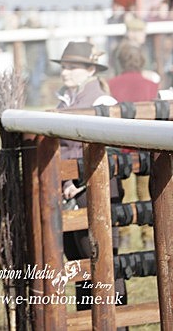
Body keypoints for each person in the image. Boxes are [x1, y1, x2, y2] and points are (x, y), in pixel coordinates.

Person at [52, 41, 127, 315]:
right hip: (69, 192)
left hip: (97, 192)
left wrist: (78, 180)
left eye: (72, 67)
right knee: (78, 263)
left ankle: (118, 321)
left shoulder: (102, 102)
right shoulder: (63, 100)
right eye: (64, 67)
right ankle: (87, 320)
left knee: (104, 262)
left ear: (90, 69)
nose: (65, 72)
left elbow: (113, 151)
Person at [108, 43, 159, 250]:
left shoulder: (111, 84)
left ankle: (124, 235)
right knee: (147, 193)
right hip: (146, 146)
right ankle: (148, 236)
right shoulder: (151, 84)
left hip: (121, 148)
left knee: (124, 195)